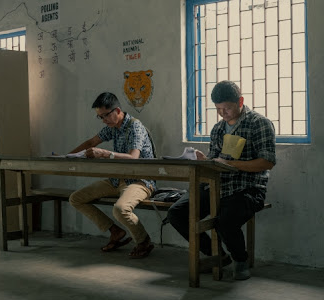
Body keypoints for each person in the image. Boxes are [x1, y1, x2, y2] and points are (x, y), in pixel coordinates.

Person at [167, 81, 275, 280]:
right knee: (177, 213)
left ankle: (240, 260)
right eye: (218, 109)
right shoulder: (218, 129)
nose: (223, 113)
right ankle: (217, 256)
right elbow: (215, 161)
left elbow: (267, 162)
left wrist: (231, 163)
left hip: (248, 188)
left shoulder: (259, 123)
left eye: (227, 108)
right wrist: (205, 161)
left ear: (240, 101)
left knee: (224, 221)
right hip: (218, 185)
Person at [68, 92, 157, 259]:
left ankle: (143, 240)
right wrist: (67, 156)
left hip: (140, 181)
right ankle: (115, 231)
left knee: (120, 209)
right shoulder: (112, 127)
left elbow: (133, 157)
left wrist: (104, 153)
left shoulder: (135, 126)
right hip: (117, 179)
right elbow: (90, 143)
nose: (103, 120)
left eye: (105, 116)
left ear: (117, 111)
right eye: (100, 117)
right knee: (76, 198)